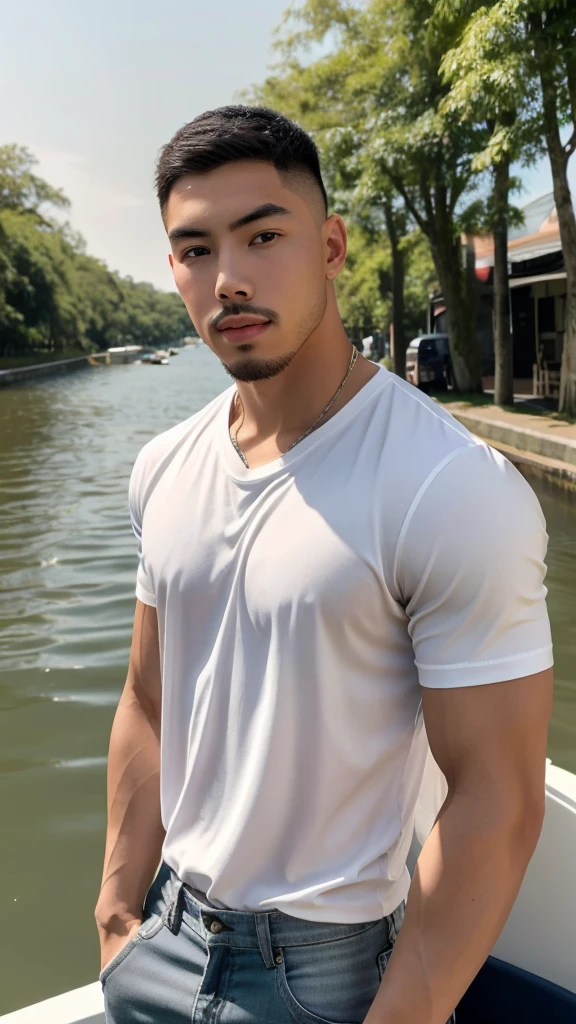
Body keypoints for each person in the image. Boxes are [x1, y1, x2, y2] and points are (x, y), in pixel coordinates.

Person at [95, 106, 554, 1024]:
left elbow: (497, 800)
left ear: (333, 245)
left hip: (327, 974)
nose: (229, 279)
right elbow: (148, 698)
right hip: (161, 939)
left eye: (264, 235)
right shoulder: (162, 468)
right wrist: (115, 914)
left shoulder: (449, 487)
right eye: (194, 251)